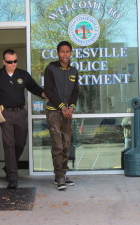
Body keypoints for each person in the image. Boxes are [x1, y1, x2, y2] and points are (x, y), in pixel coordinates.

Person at [0, 49, 45, 189]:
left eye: (15, 61)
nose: (13, 64)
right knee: (9, 143)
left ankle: (10, 166)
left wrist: (44, 94)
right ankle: (12, 177)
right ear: (4, 62)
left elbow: (34, 88)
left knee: (20, 143)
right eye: (10, 62)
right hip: (3, 113)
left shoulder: (23, 74)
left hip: (20, 112)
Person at [44, 41, 79, 190]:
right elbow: (49, 90)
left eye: (67, 52)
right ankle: (59, 177)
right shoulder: (51, 69)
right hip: (54, 111)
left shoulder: (73, 71)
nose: (65, 54)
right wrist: (62, 107)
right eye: (62, 52)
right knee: (57, 145)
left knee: (66, 144)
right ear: (57, 53)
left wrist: (70, 107)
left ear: (71, 53)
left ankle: (63, 173)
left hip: (67, 113)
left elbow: (75, 92)